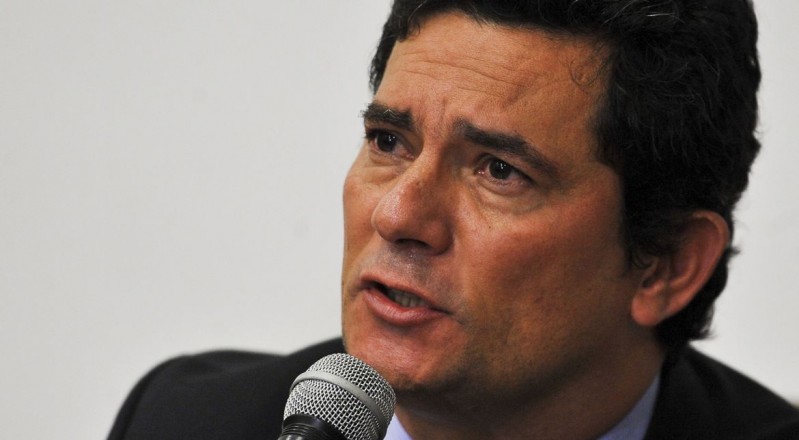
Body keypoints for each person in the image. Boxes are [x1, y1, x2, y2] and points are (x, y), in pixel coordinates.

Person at [108, 1, 799, 439]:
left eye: (499, 170)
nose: (397, 213)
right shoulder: (181, 421)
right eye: (388, 141)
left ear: (666, 263)